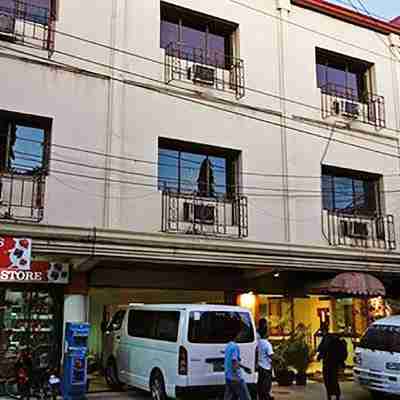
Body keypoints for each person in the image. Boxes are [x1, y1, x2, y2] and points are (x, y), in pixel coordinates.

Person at [317, 328, 348, 400]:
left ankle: (330, 395)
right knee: (334, 379)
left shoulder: (326, 339)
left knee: (327, 379)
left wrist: (319, 357)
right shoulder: (334, 339)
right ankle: (336, 394)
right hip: (334, 363)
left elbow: (322, 349)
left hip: (327, 363)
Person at [224, 324, 251, 400]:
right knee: (246, 398)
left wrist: (244, 368)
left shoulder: (228, 345)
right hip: (235, 378)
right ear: (237, 334)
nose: (243, 335)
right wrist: (237, 377)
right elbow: (234, 362)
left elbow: (234, 360)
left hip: (228, 377)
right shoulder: (235, 347)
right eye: (242, 333)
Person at [257, 326, 274, 400]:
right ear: (265, 333)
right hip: (266, 367)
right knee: (266, 386)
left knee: (260, 385)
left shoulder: (258, 342)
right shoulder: (267, 344)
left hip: (260, 366)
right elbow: (271, 355)